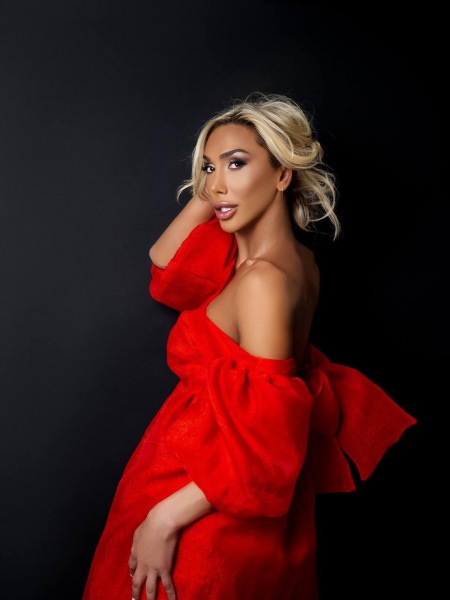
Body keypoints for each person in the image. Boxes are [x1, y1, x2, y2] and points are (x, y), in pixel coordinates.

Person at [82, 92, 416, 600]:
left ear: (283, 174)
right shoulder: (287, 262)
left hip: (200, 508)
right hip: (191, 479)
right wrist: (218, 187)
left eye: (236, 163)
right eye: (208, 167)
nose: (216, 182)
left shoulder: (263, 282)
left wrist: (164, 518)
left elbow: (271, 445)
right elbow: (165, 267)